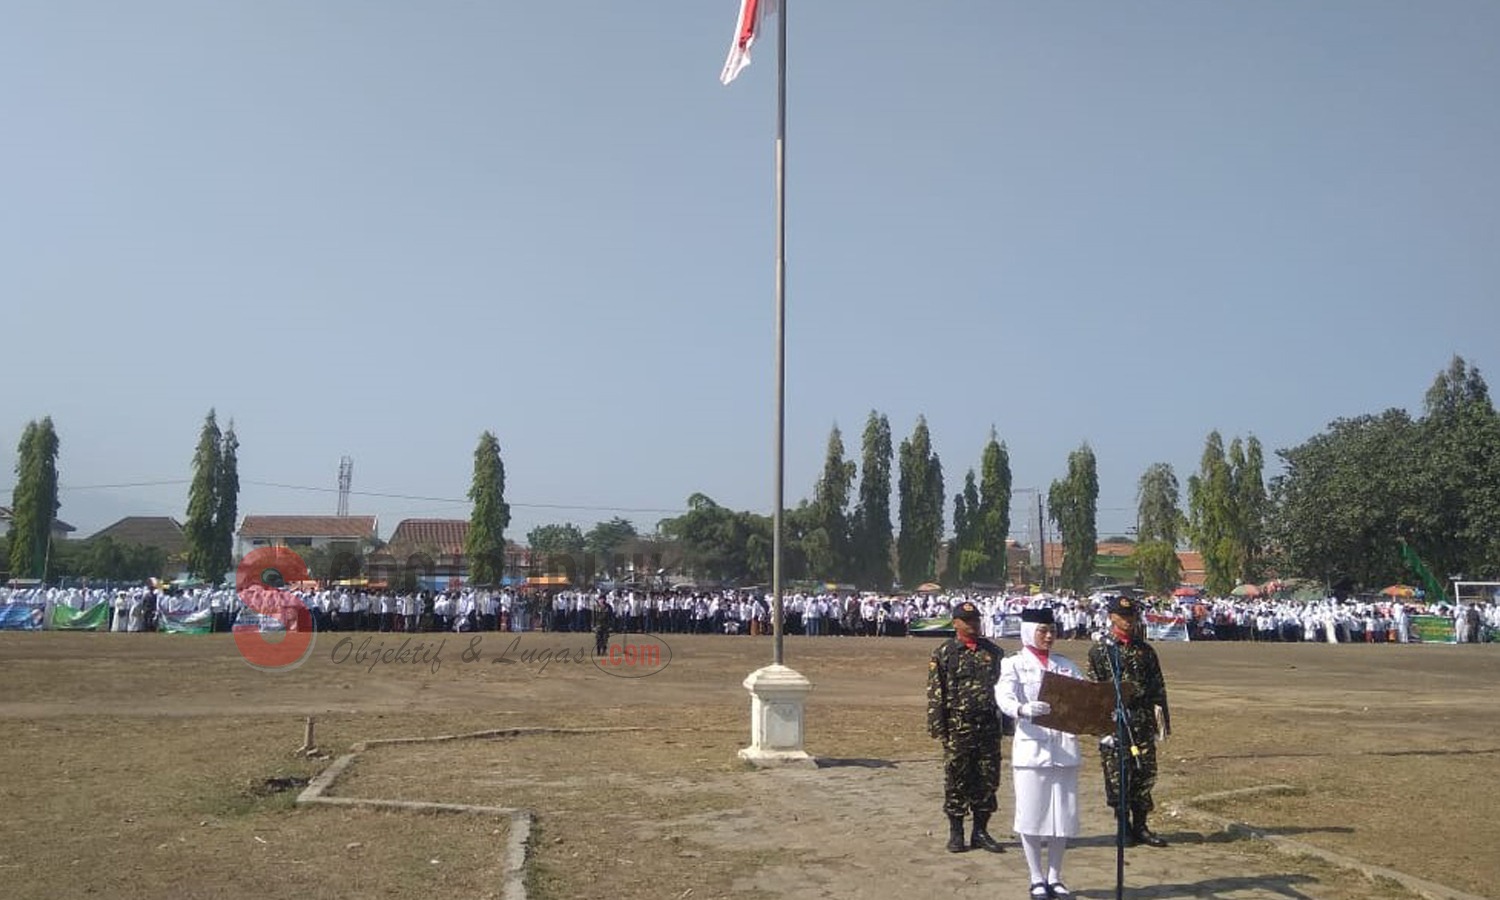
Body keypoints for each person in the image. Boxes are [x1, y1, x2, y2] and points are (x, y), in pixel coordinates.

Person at [997, 607, 1083, 899]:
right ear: (1027, 631)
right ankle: (1036, 877)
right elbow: (1003, 696)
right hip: (1032, 749)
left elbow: (1084, 699)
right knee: (1032, 814)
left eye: (1052, 631)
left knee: (1062, 816)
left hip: (1064, 748)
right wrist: (1021, 709)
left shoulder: (1066, 665)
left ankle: (1055, 876)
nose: (1049, 636)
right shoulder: (1014, 664)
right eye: (1042, 631)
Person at [1085, 596, 1171, 848]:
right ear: (1111, 617)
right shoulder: (1100, 652)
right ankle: (1123, 826)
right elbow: (1094, 692)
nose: (1128, 621)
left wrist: (1161, 725)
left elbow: (1158, 689)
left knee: (1144, 774)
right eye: (1123, 616)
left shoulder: (1145, 651)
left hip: (1142, 721)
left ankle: (1141, 825)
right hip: (1116, 723)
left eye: (1131, 616)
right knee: (1117, 776)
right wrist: (1101, 728)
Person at [926, 600, 1006, 854]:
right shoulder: (945, 653)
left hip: (988, 727)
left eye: (976, 620)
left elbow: (1005, 692)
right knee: (957, 779)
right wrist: (938, 726)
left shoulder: (994, 653)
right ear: (955, 623)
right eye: (967, 620)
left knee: (988, 780)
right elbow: (936, 692)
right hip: (958, 727)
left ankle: (980, 831)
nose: (973, 624)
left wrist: (1009, 725)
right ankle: (956, 832)